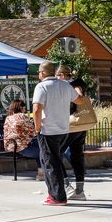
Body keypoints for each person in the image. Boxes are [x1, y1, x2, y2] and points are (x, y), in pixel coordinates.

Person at [32, 61, 83, 205]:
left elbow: (36, 109)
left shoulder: (41, 87)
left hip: (48, 130)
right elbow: (79, 100)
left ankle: (57, 196)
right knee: (50, 160)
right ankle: (54, 193)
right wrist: (78, 90)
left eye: (39, 73)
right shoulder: (65, 85)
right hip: (64, 129)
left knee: (50, 163)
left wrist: (37, 128)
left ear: (42, 73)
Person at [56, 64, 92, 200]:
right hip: (81, 126)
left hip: (72, 124)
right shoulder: (77, 82)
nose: (57, 79)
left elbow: (79, 95)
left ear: (63, 75)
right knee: (77, 156)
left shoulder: (71, 84)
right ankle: (80, 191)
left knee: (56, 154)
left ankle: (67, 187)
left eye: (58, 76)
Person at [3, 99, 43, 180]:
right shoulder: (22, 116)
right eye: (24, 108)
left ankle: (42, 172)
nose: (25, 110)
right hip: (20, 147)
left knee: (38, 146)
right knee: (42, 151)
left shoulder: (8, 118)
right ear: (21, 107)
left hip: (10, 146)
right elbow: (33, 130)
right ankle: (41, 174)